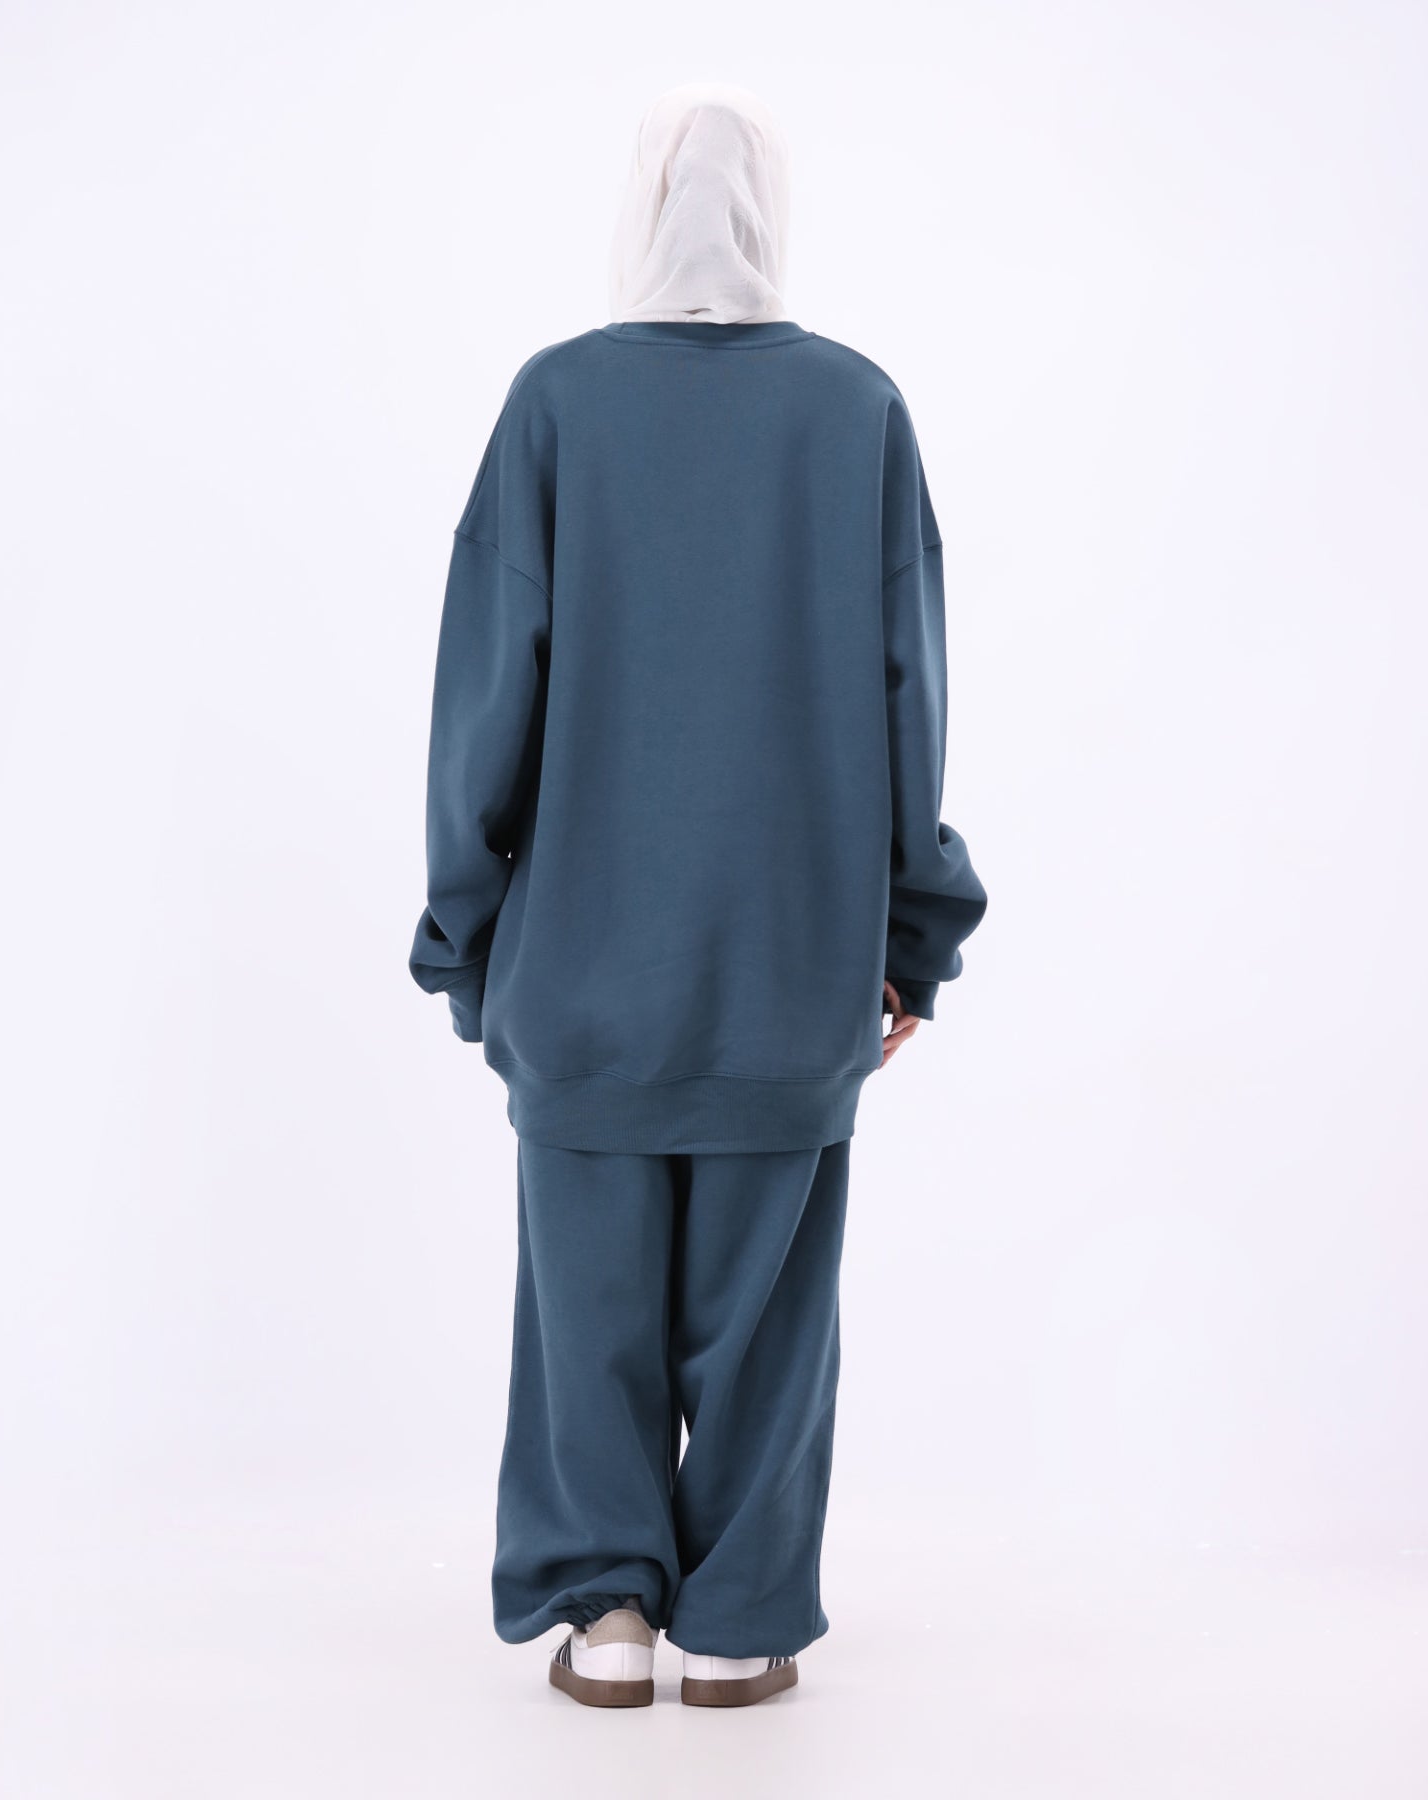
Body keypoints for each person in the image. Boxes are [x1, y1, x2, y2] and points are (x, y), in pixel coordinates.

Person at [408, 82, 987, 1709]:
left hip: (581, 975)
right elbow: (911, 701)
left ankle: (607, 1620)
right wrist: (912, 939)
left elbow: (485, 697)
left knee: (587, 1313)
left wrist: (466, 936)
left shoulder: (557, 405)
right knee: (764, 1320)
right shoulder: (857, 411)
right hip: (791, 971)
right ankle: (737, 1626)